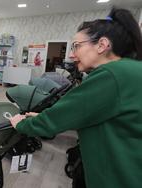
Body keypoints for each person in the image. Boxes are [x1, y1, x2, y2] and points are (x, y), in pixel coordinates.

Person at [9, 7, 142, 188]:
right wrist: (41, 115)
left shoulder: (110, 76)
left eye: (76, 46)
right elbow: (90, 114)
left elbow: (55, 120)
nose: (72, 54)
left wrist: (21, 124)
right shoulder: (131, 70)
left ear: (102, 45)